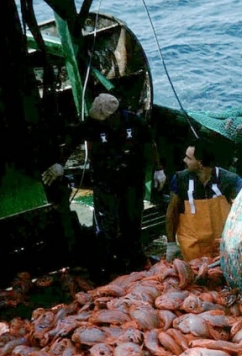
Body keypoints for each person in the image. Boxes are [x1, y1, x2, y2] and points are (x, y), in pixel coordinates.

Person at [49, 92, 166, 281]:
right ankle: (111, 264)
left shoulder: (134, 122)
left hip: (131, 182)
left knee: (132, 221)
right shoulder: (93, 125)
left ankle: (135, 259)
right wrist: (60, 163)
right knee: (107, 226)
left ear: (113, 115)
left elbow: (149, 144)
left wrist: (159, 169)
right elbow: (73, 139)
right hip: (105, 183)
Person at [165, 140, 242, 262]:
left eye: (188, 158)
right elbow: (172, 212)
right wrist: (171, 243)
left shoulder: (230, 180)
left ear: (200, 164)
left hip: (222, 247)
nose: (184, 161)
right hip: (192, 248)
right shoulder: (179, 179)